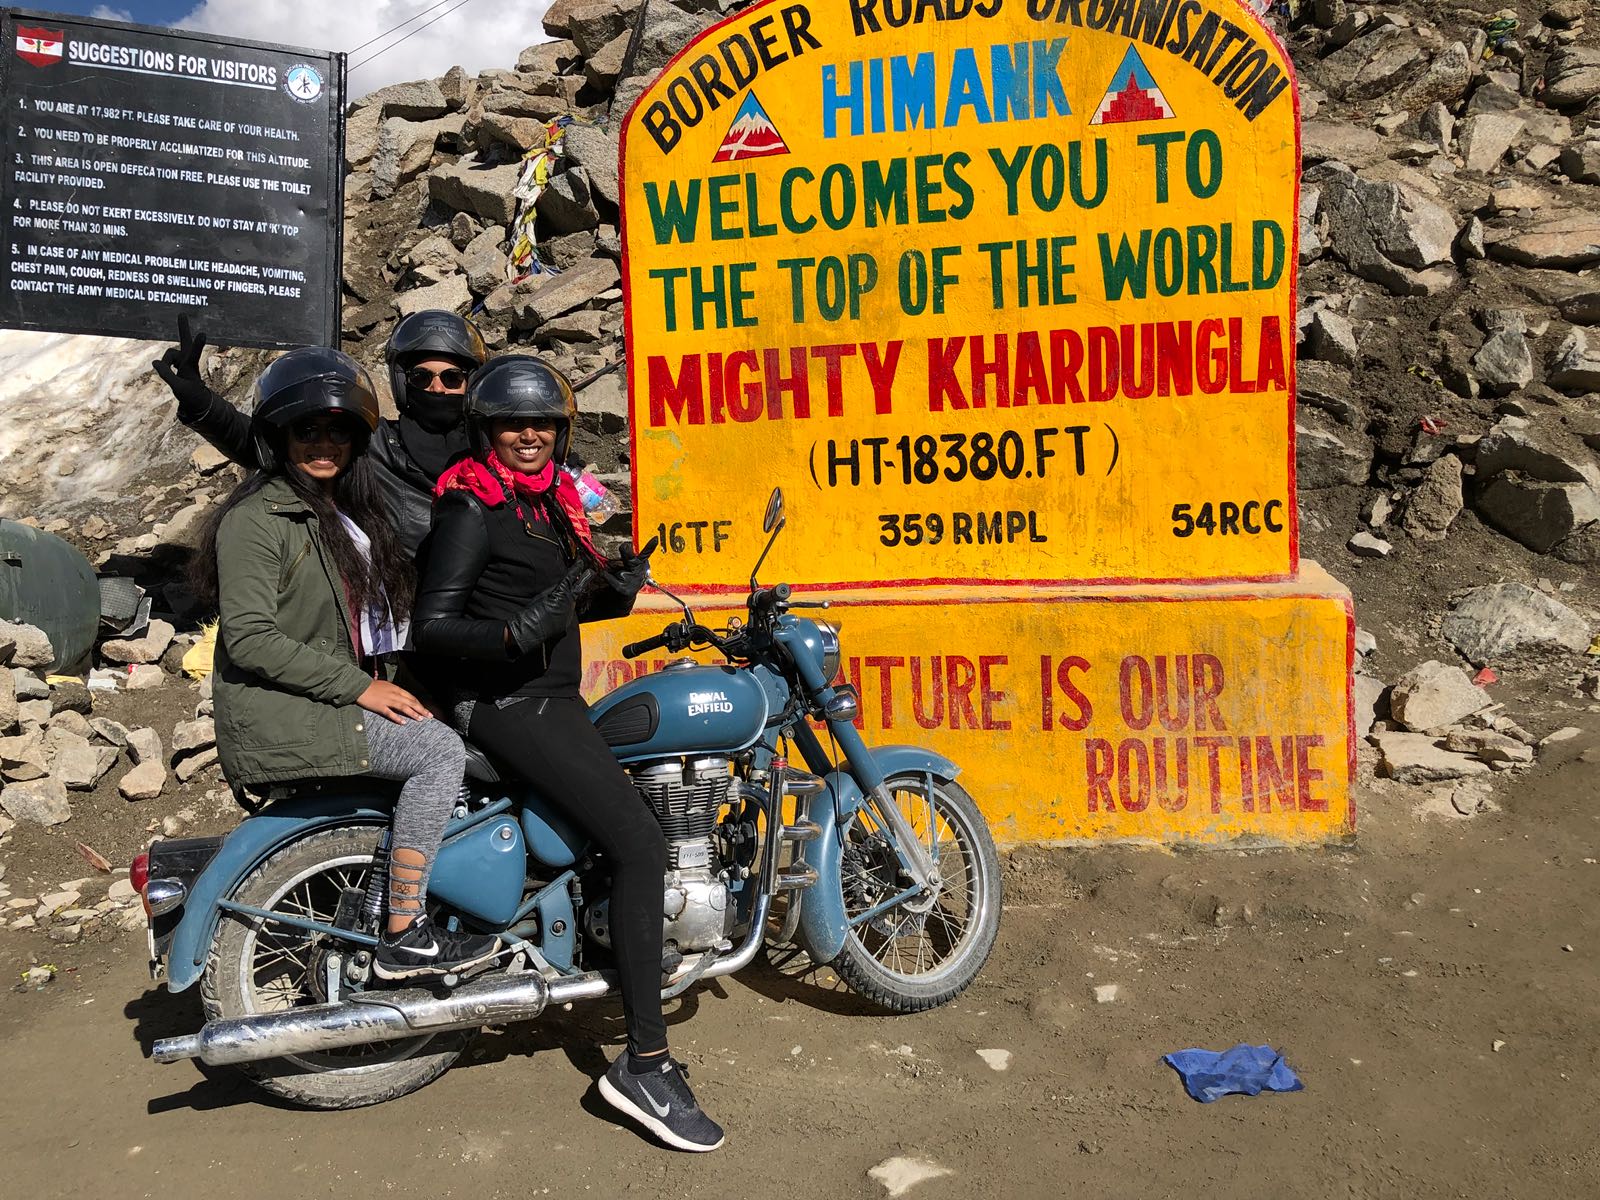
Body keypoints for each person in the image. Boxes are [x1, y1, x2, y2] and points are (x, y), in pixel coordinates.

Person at [411, 356, 723, 1152]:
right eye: (513, 423)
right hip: (509, 703)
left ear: (561, 430)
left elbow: (564, 604)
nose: (528, 434)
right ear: (486, 430)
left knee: (613, 829)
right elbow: (435, 627)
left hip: (550, 698)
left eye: (543, 422)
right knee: (640, 845)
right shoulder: (472, 507)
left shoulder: (549, 504)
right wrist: (522, 629)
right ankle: (645, 1063)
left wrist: (613, 585)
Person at [193, 347, 500, 980]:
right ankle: (404, 932)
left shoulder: (345, 513)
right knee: (438, 754)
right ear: (279, 436)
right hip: (284, 714)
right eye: (307, 430)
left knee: (464, 741)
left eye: (338, 429)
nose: (324, 443)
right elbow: (249, 637)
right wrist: (363, 689)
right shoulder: (257, 520)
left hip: (323, 700)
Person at [155, 311, 489, 555]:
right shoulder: (371, 446)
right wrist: (204, 406)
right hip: (397, 618)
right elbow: (270, 446)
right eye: (420, 377)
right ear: (402, 383)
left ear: (471, 384)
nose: (437, 388)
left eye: (452, 378)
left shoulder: (493, 454)